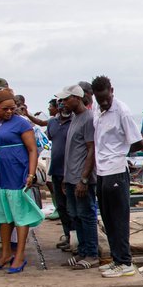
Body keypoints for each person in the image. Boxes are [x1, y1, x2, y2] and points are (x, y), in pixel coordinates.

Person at [0, 88, 42, 273]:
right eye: (5, 109)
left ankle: (18, 256)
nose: (9, 112)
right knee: (2, 215)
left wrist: (30, 173)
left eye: (12, 108)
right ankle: (5, 254)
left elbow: (32, 150)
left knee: (19, 214)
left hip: (15, 173)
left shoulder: (21, 124)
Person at [91, 75, 142, 278]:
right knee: (107, 218)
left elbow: (139, 143)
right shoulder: (98, 109)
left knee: (119, 218)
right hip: (102, 171)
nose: (103, 103)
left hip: (117, 170)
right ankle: (115, 258)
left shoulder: (122, 112)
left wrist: (120, 153)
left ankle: (125, 262)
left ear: (112, 91)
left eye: (106, 98)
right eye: (99, 99)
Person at [57, 85, 99, 269]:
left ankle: (91, 253)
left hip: (83, 179)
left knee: (86, 215)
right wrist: (67, 178)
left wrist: (84, 179)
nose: (63, 103)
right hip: (71, 177)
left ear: (77, 98)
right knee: (75, 215)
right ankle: (82, 251)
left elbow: (91, 150)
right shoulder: (75, 118)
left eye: (66, 99)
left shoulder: (88, 119)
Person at [45, 96, 74, 250]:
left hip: (70, 172)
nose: (62, 106)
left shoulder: (75, 121)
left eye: (64, 102)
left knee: (72, 208)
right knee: (61, 206)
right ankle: (68, 235)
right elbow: (50, 139)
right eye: (59, 103)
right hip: (56, 170)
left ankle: (75, 239)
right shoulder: (52, 123)